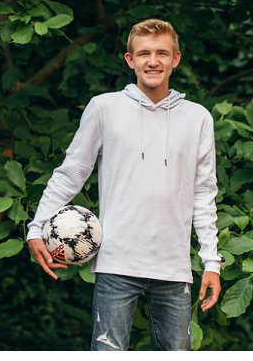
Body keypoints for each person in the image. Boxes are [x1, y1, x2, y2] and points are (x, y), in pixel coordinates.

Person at [27, 18, 222, 351]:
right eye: (144, 53)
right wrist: (36, 227)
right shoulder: (105, 108)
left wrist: (212, 262)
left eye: (162, 53)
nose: (153, 61)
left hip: (173, 266)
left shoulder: (198, 117)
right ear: (130, 60)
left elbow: (203, 194)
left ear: (175, 59)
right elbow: (71, 173)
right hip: (116, 262)